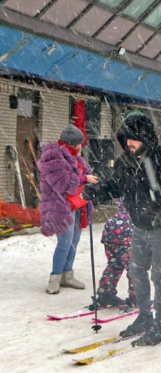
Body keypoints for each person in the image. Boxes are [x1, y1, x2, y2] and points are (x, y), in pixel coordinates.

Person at [83, 112, 161, 346]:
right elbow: (116, 186)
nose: (129, 143)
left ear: (146, 138)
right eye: (126, 139)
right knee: (137, 271)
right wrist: (97, 192)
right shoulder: (125, 162)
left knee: (160, 276)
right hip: (141, 225)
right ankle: (144, 316)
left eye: (134, 139)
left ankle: (160, 325)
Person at [38, 124, 98, 294]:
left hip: (78, 204)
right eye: (78, 144)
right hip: (61, 206)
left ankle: (67, 275)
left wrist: (90, 178)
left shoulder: (76, 158)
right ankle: (55, 277)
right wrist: (84, 178)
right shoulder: (53, 158)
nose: (81, 147)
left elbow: (81, 175)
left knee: (74, 241)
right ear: (71, 144)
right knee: (64, 242)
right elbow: (63, 184)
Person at [93, 200, 135, 308]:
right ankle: (137, 297)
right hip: (128, 233)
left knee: (114, 264)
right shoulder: (143, 198)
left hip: (111, 230)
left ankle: (105, 293)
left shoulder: (126, 190)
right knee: (135, 267)